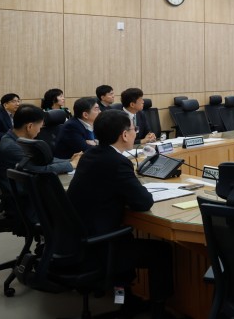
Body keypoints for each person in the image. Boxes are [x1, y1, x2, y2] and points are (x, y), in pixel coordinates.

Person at [67, 110, 173, 318]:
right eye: (134, 129)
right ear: (124, 135)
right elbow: (143, 202)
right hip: (99, 245)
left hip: (77, 239)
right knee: (161, 251)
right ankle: (158, 311)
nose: (136, 133)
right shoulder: (117, 162)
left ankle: (129, 300)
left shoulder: (91, 154)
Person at [0, 104, 77, 227]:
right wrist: (71, 165)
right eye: (40, 126)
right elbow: (41, 168)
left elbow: (45, 160)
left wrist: (70, 161)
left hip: (33, 193)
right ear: (30, 126)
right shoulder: (11, 147)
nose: (40, 130)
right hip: (28, 202)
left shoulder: (18, 139)